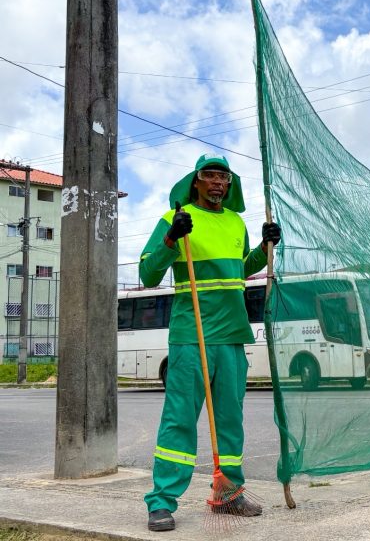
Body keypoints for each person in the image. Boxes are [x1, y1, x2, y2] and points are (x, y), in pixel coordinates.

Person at [140, 153, 282, 532]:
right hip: (193, 336)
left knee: (230, 423)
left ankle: (228, 494)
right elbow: (148, 273)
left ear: (229, 185)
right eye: (210, 175)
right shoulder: (176, 218)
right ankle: (161, 502)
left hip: (233, 337)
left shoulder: (237, 222)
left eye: (224, 177)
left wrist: (264, 249)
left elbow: (241, 268)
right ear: (196, 181)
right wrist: (172, 239)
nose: (218, 182)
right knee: (180, 421)